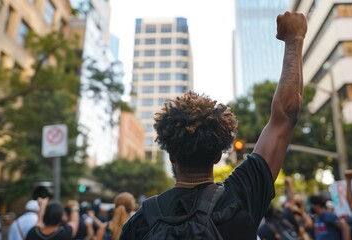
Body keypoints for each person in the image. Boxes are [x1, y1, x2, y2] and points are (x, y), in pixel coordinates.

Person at [120, 11, 307, 240]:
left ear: (171, 156)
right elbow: (284, 116)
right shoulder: (241, 197)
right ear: (218, 155)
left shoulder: (141, 221)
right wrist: (294, 40)